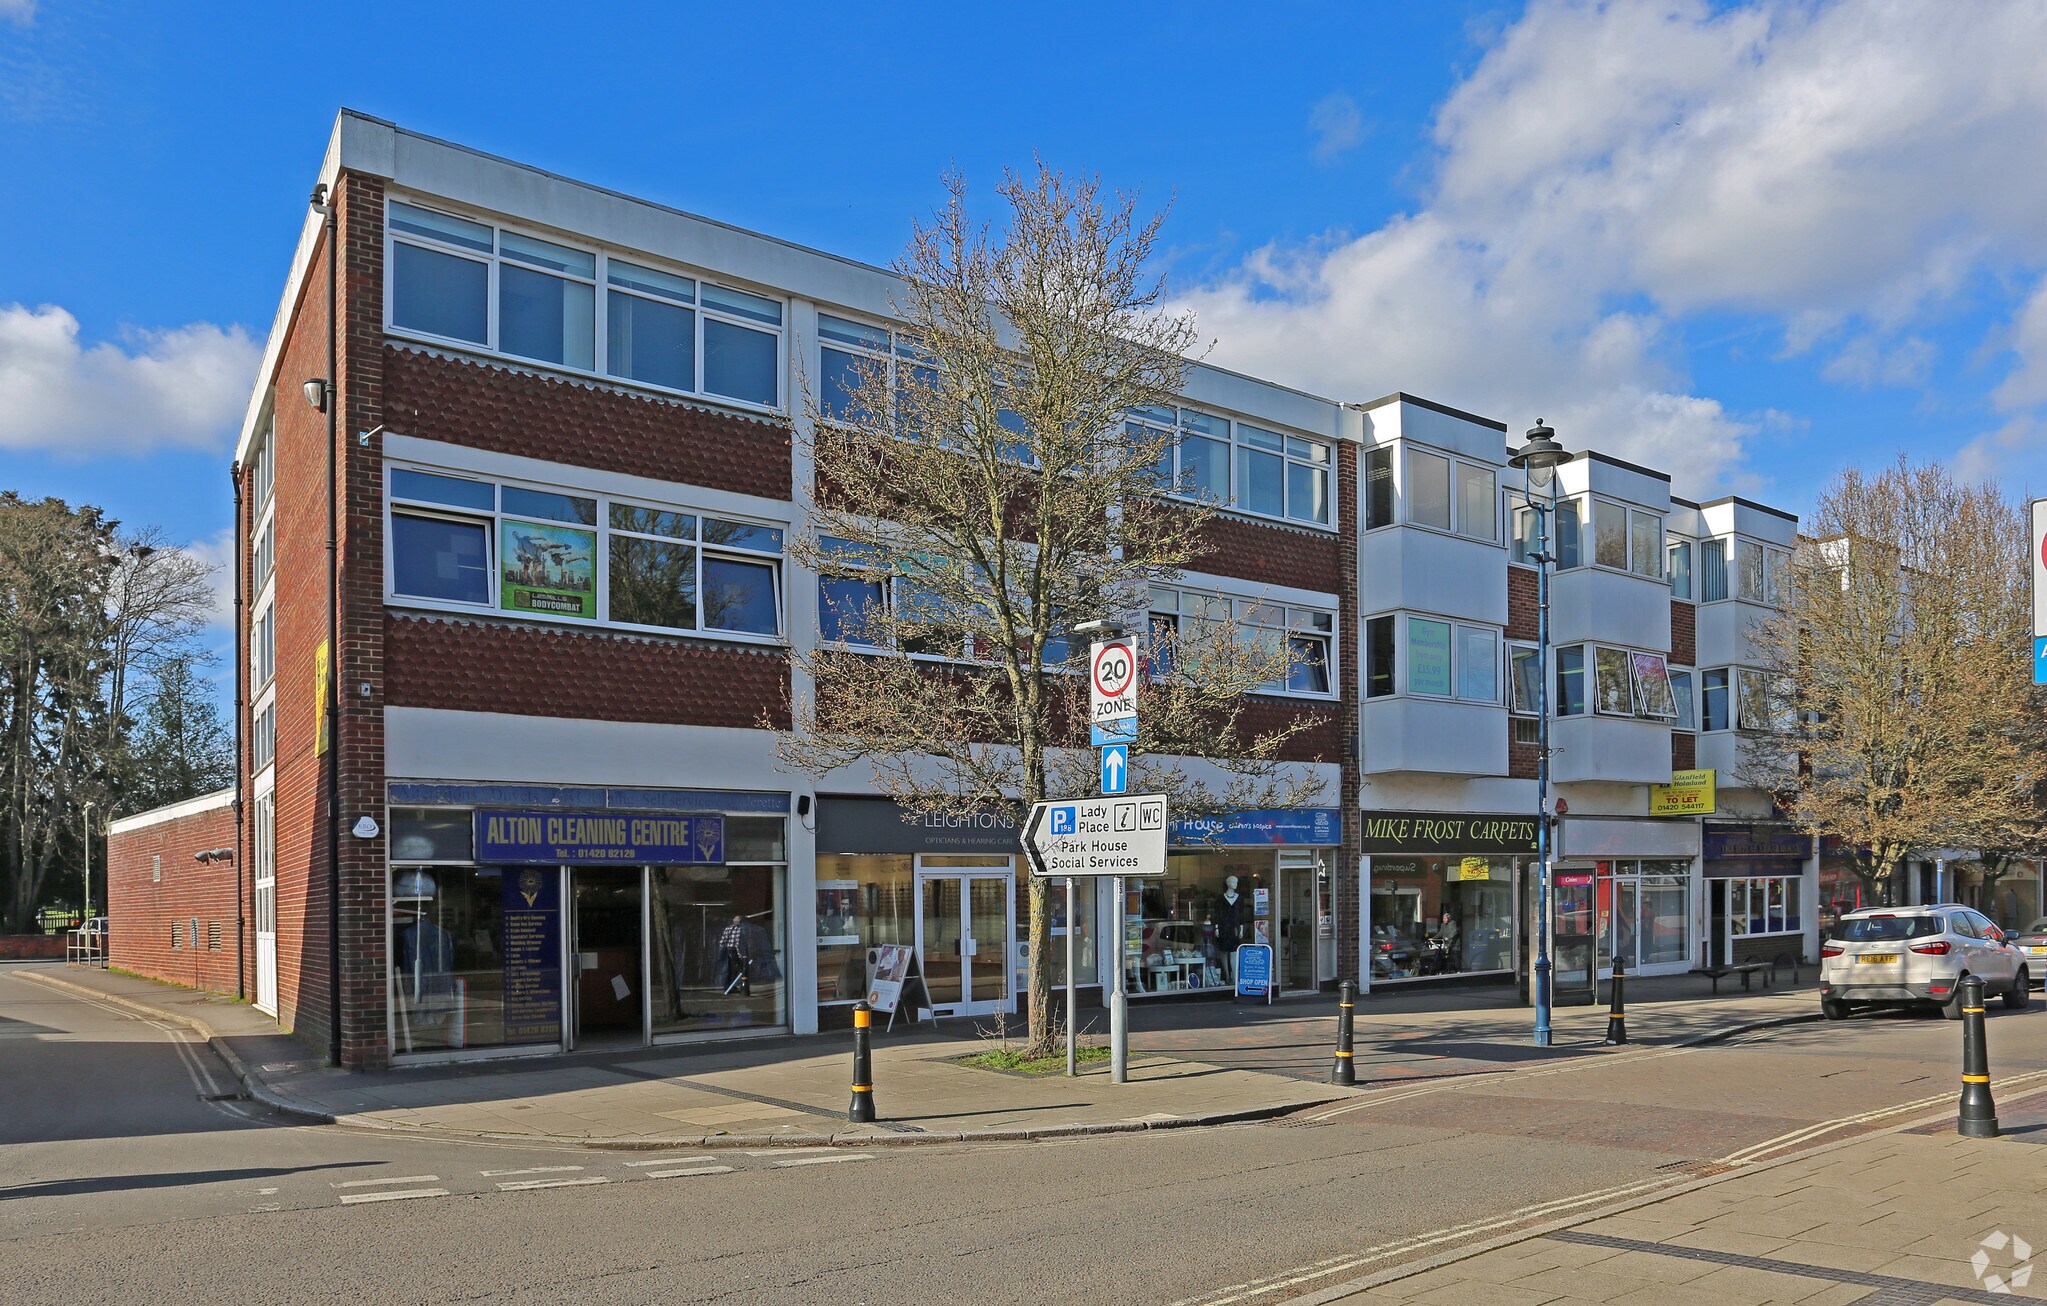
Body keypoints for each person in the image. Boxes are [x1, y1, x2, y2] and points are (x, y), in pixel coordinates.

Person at [717, 913, 752, 996]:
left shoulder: (728, 928)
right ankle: (738, 987)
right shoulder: (741, 929)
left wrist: (722, 949)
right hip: (735, 950)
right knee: (741, 969)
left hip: (728, 949)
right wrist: (741, 954)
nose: (734, 920)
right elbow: (738, 943)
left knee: (730, 969)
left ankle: (730, 987)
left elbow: (722, 941)